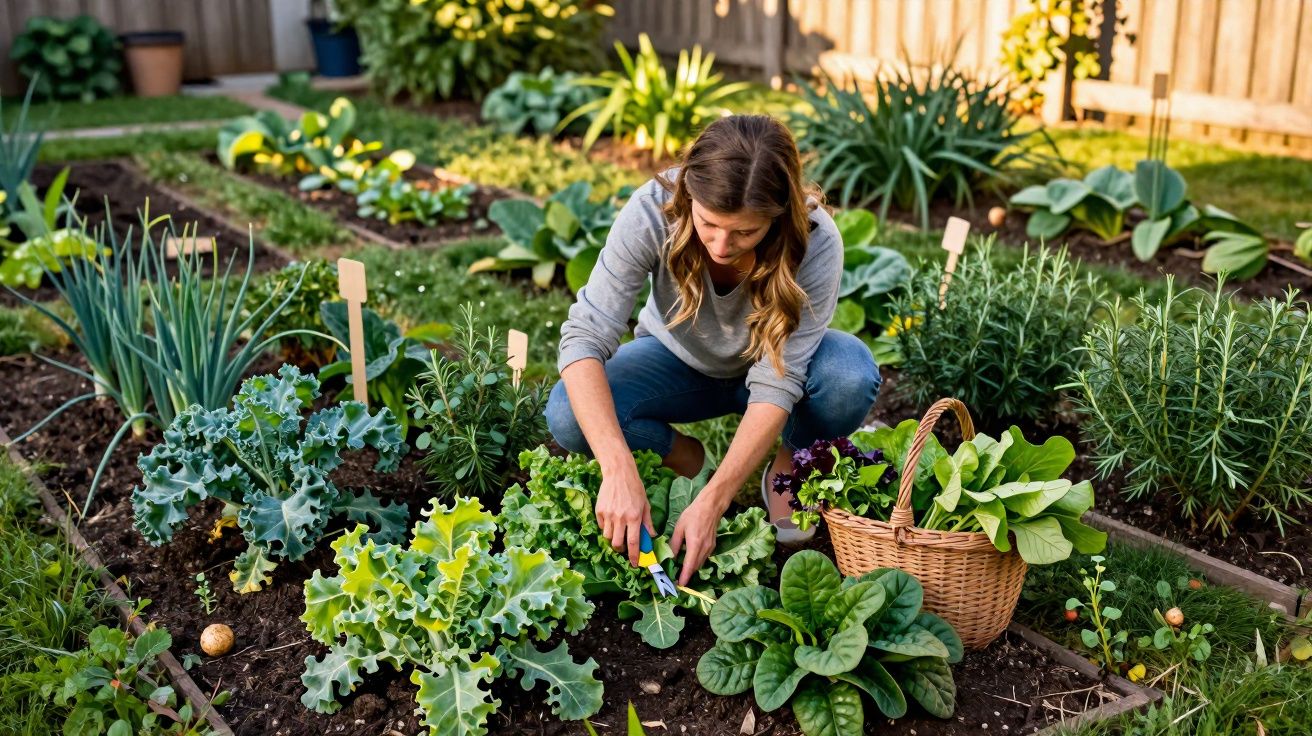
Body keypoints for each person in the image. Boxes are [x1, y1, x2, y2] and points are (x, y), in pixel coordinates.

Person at [546, 114, 881, 587]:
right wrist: (617, 468)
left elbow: (779, 378)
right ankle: (684, 456)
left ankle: (790, 462)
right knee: (567, 413)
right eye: (708, 223)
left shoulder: (816, 240)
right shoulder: (651, 210)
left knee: (849, 375)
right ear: (687, 197)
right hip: (676, 361)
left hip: (776, 371)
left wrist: (715, 500)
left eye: (745, 232)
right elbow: (584, 335)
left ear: (778, 216)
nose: (722, 245)